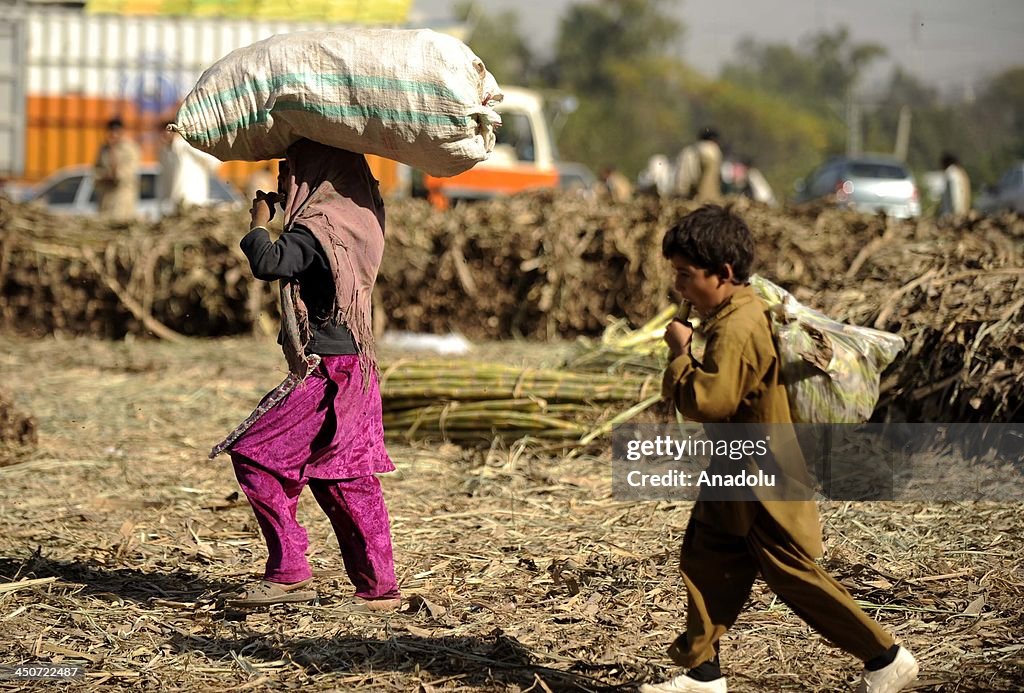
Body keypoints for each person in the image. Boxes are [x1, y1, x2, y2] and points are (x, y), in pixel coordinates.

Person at [642, 204, 918, 693]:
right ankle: (703, 674)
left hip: (760, 472)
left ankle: (886, 656)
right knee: (707, 556)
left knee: (792, 574)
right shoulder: (733, 312)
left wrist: (681, 355)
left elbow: (712, 400)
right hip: (736, 464)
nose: (679, 288)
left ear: (723, 274)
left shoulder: (738, 326)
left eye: (686, 276)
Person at [218, 139, 400, 611]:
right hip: (354, 366)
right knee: (343, 477)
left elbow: (269, 261)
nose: (281, 184)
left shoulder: (319, 229)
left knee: (257, 456)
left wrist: (259, 220)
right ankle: (378, 589)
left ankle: (290, 571)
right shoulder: (358, 219)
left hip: (331, 374)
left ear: (312, 177)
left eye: (289, 174)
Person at [156, 122, 223, 215]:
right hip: (176, 204)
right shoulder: (165, 152)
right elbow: (165, 180)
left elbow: (214, 160)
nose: (162, 136)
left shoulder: (188, 145)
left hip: (193, 201)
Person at [93, 117, 141, 221]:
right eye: (111, 131)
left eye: (116, 131)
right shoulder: (103, 149)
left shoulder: (130, 149)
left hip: (122, 197)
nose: (113, 134)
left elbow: (129, 172)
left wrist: (113, 151)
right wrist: (102, 176)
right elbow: (96, 170)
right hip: (106, 197)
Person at [674, 128, 722, 202]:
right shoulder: (713, 149)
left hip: (687, 195)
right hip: (705, 198)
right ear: (713, 139)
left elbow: (683, 177)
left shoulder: (688, 150)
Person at [939, 152, 971, 218]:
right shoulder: (959, 173)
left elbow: (955, 196)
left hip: (951, 214)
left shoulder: (951, 174)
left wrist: (955, 214)